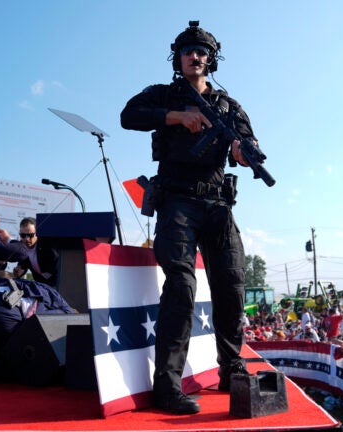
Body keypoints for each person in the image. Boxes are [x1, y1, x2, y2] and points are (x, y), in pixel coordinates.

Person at [120, 21, 262, 415]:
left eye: (201, 52)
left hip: (218, 204)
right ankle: (166, 387)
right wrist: (176, 117)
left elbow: (248, 143)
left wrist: (242, 151)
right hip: (177, 202)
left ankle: (232, 370)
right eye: (188, 51)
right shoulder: (163, 95)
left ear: (210, 60)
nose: (195, 57)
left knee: (232, 286)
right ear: (178, 58)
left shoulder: (228, 106)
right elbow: (128, 116)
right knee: (181, 287)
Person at [13, 217, 60, 287]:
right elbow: (23, 264)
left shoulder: (47, 244)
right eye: (23, 235)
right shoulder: (21, 246)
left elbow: (57, 263)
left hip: (58, 282)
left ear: (37, 233)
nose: (27, 239)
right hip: (40, 283)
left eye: (30, 235)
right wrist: (19, 271)